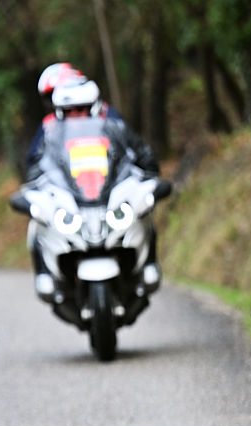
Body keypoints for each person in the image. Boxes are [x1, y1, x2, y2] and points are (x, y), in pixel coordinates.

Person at [27, 79, 162, 293]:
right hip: (72, 207)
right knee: (37, 226)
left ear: (94, 108)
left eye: (81, 109)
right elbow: (35, 169)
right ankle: (48, 277)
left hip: (109, 203)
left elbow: (143, 159)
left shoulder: (115, 128)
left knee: (146, 217)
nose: (75, 115)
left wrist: (147, 181)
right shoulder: (49, 136)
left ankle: (147, 266)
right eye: (69, 111)